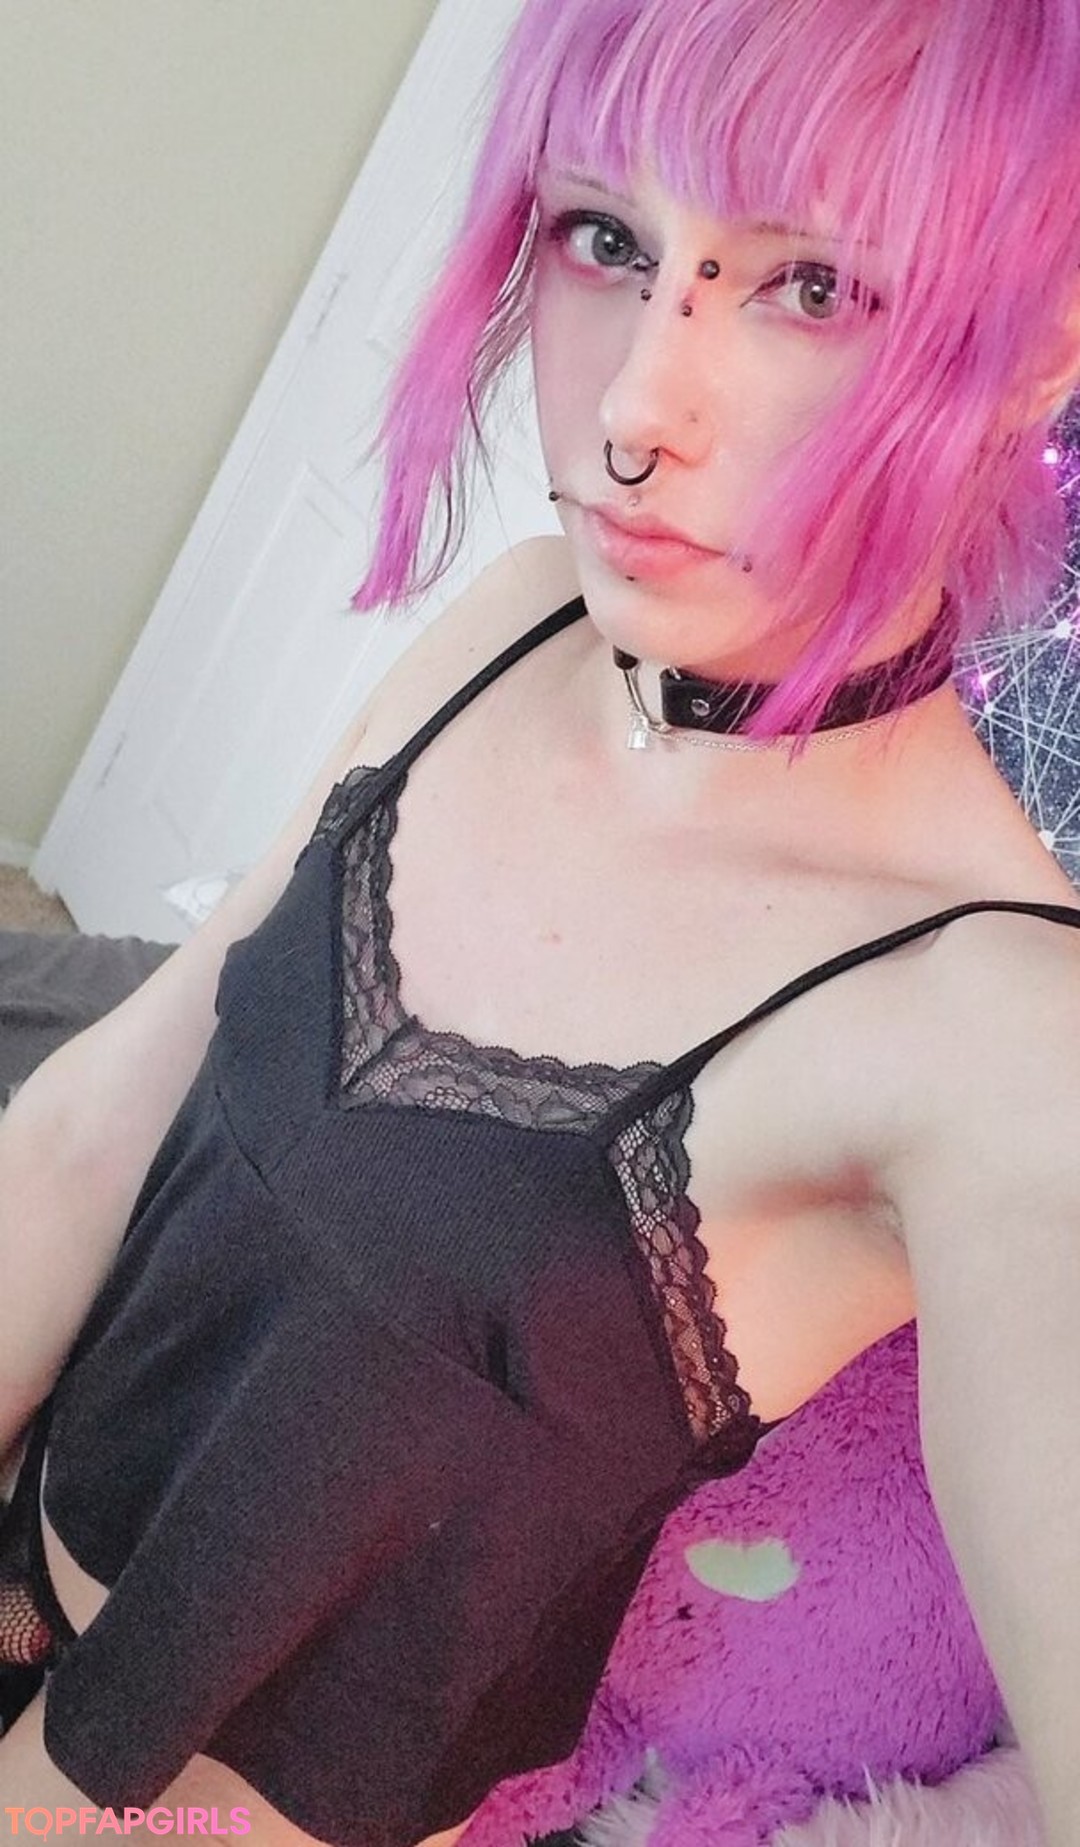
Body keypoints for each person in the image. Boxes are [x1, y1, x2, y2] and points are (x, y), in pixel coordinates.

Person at [1, 0, 1079, 1839]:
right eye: (605, 237)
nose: (637, 416)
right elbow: (98, 1122)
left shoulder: (990, 1024)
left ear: (1041, 352)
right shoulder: (517, 623)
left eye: (813, 286)